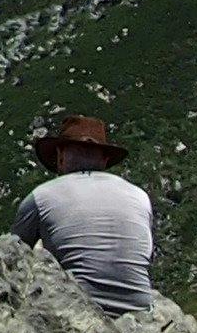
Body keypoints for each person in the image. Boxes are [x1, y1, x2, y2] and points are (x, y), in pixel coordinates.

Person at [15, 111, 156, 315]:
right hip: (140, 312)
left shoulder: (41, 196)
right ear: (105, 159)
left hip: (78, 312)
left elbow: (13, 256)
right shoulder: (140, 196)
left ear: (60, 156)